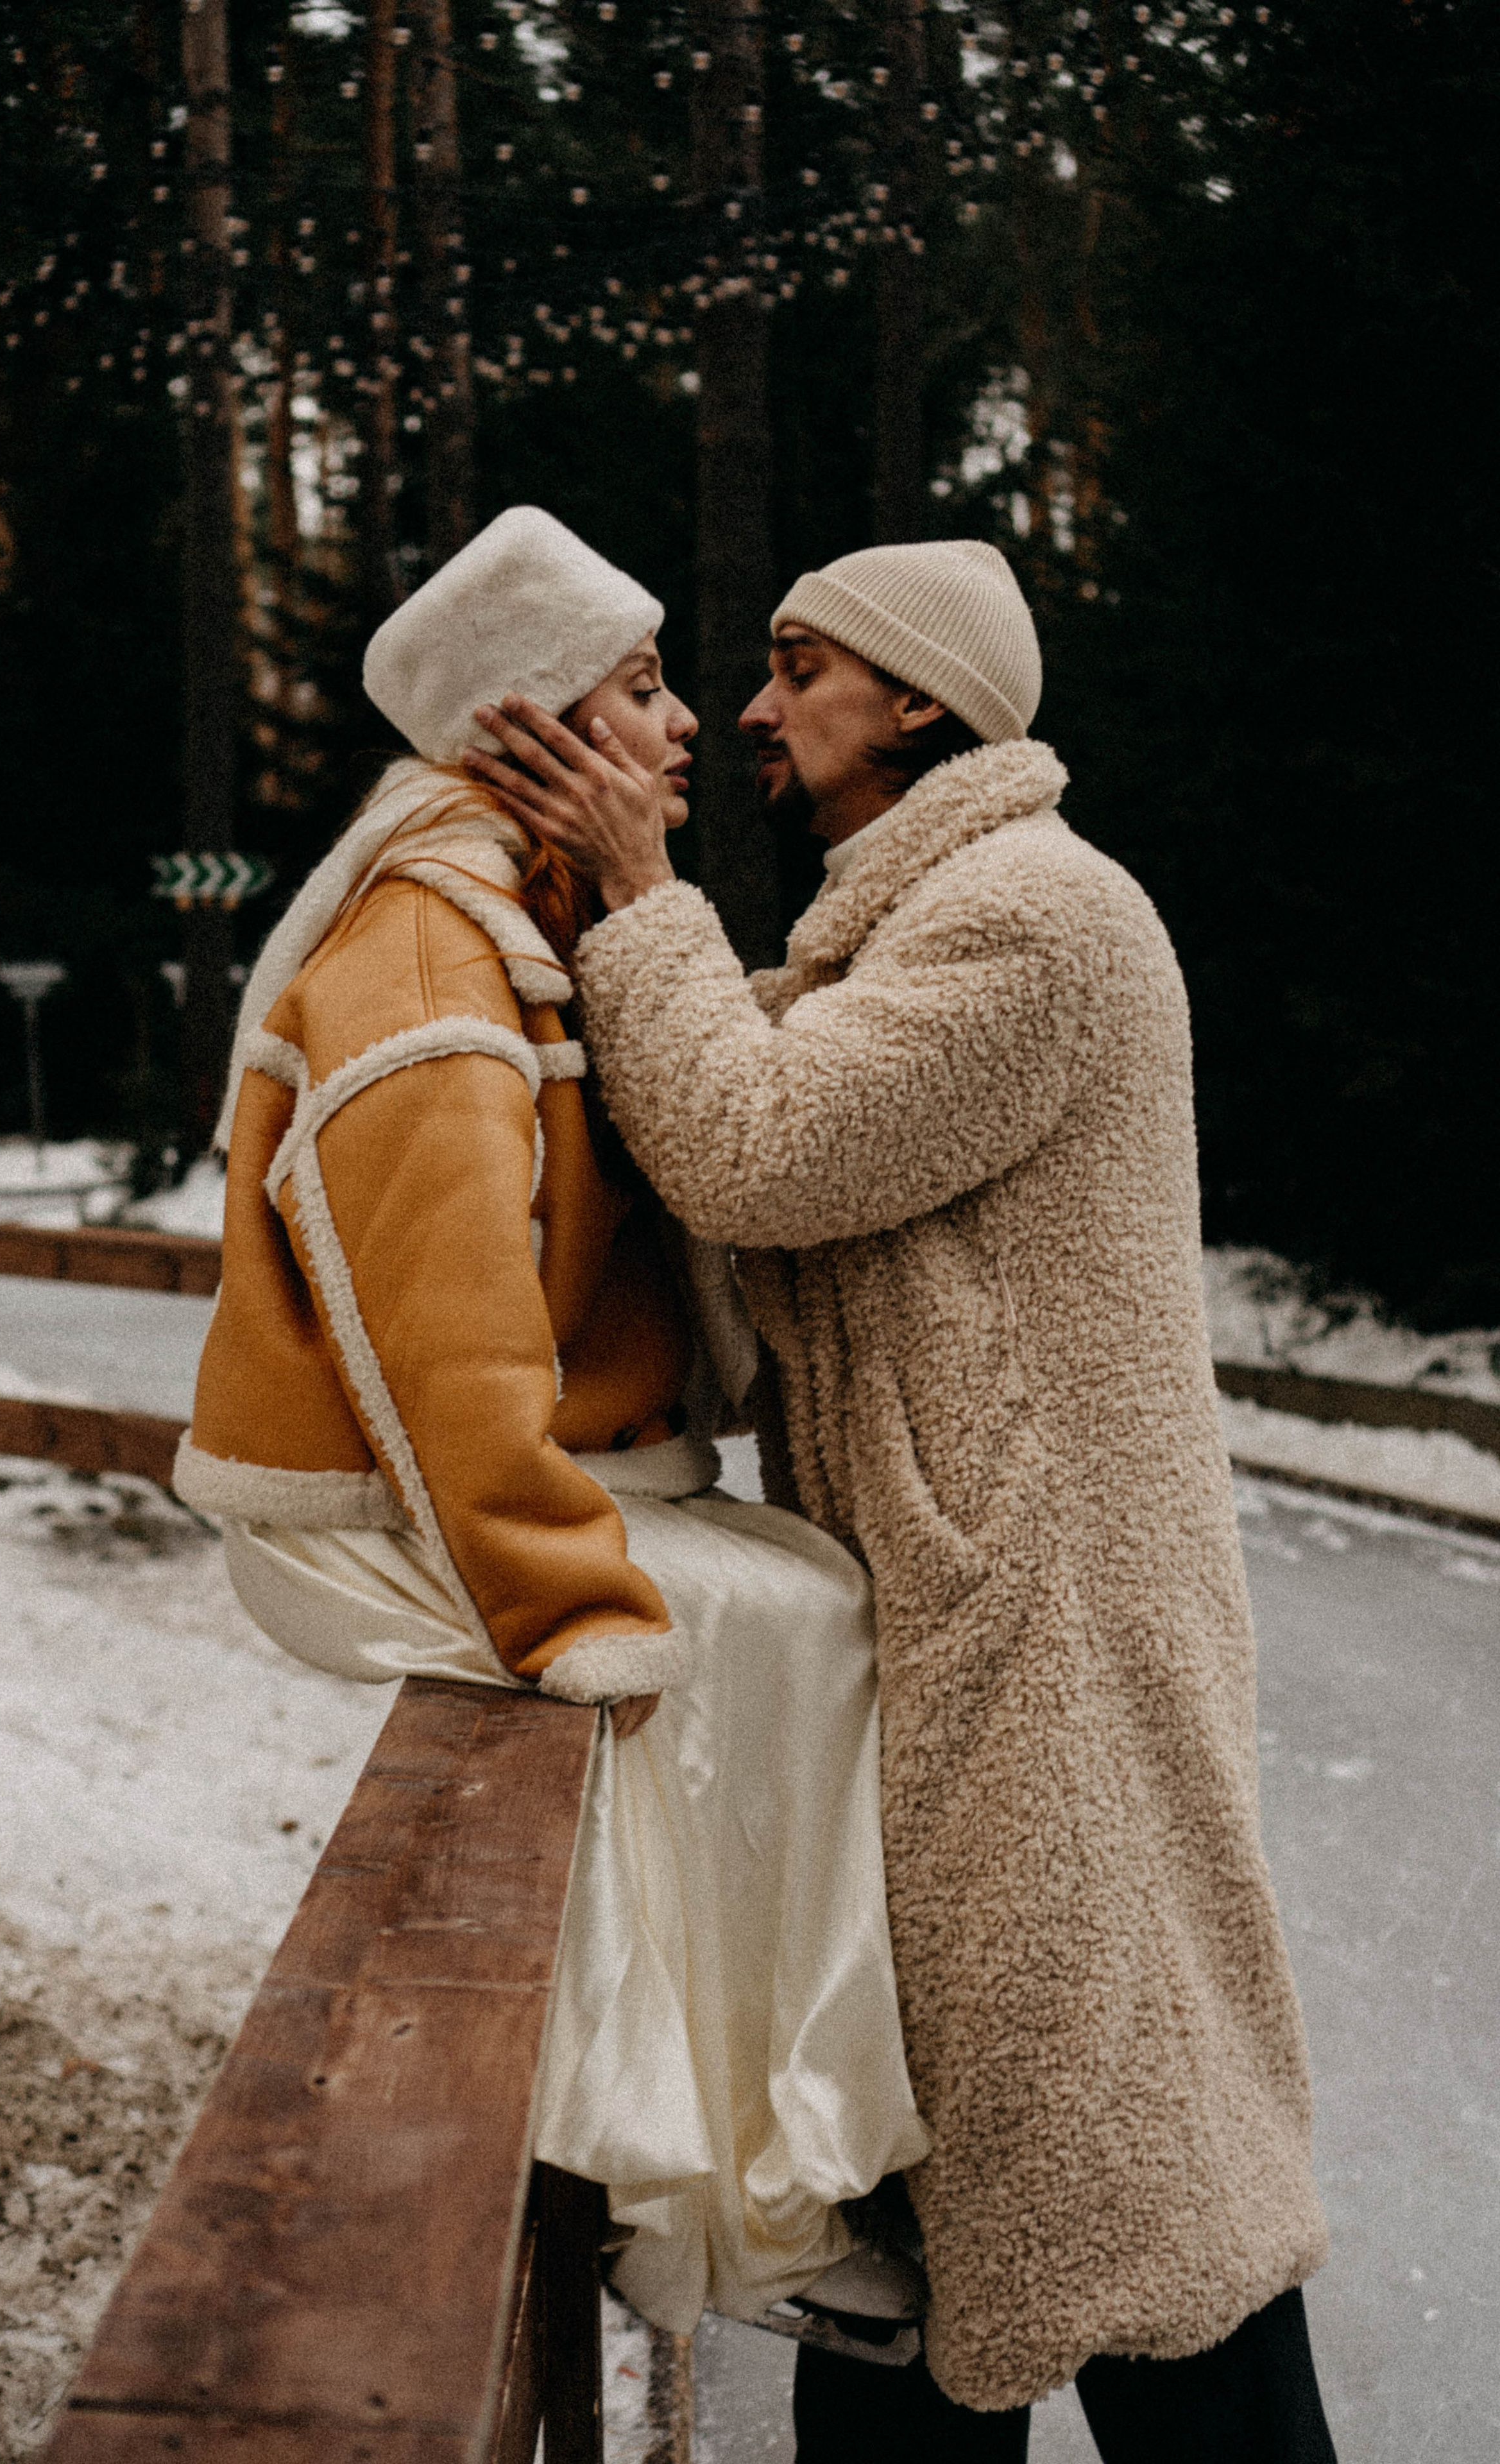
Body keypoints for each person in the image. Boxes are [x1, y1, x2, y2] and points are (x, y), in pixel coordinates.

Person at [464, 539, 1339, 2460]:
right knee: (938, 2217)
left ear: (923, 694)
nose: (751, 711)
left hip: (1055, 1660)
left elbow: (758, 1151)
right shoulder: (897, 932)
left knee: (1142, 2213)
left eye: (799, 668)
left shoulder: (1035, 913)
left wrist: (640, 895)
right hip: (959, 1642)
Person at [175, 506, 929, 2345]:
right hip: (374, 1514)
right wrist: (563, 1603)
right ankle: (713, 2200)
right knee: (780, 1631)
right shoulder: (434, 961)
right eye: (643, 688)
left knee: (808, 1600)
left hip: (482, 1483)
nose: (687, 728)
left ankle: (772, 2160)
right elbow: (438, 1351)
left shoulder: (527, 923)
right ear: (526, 725)